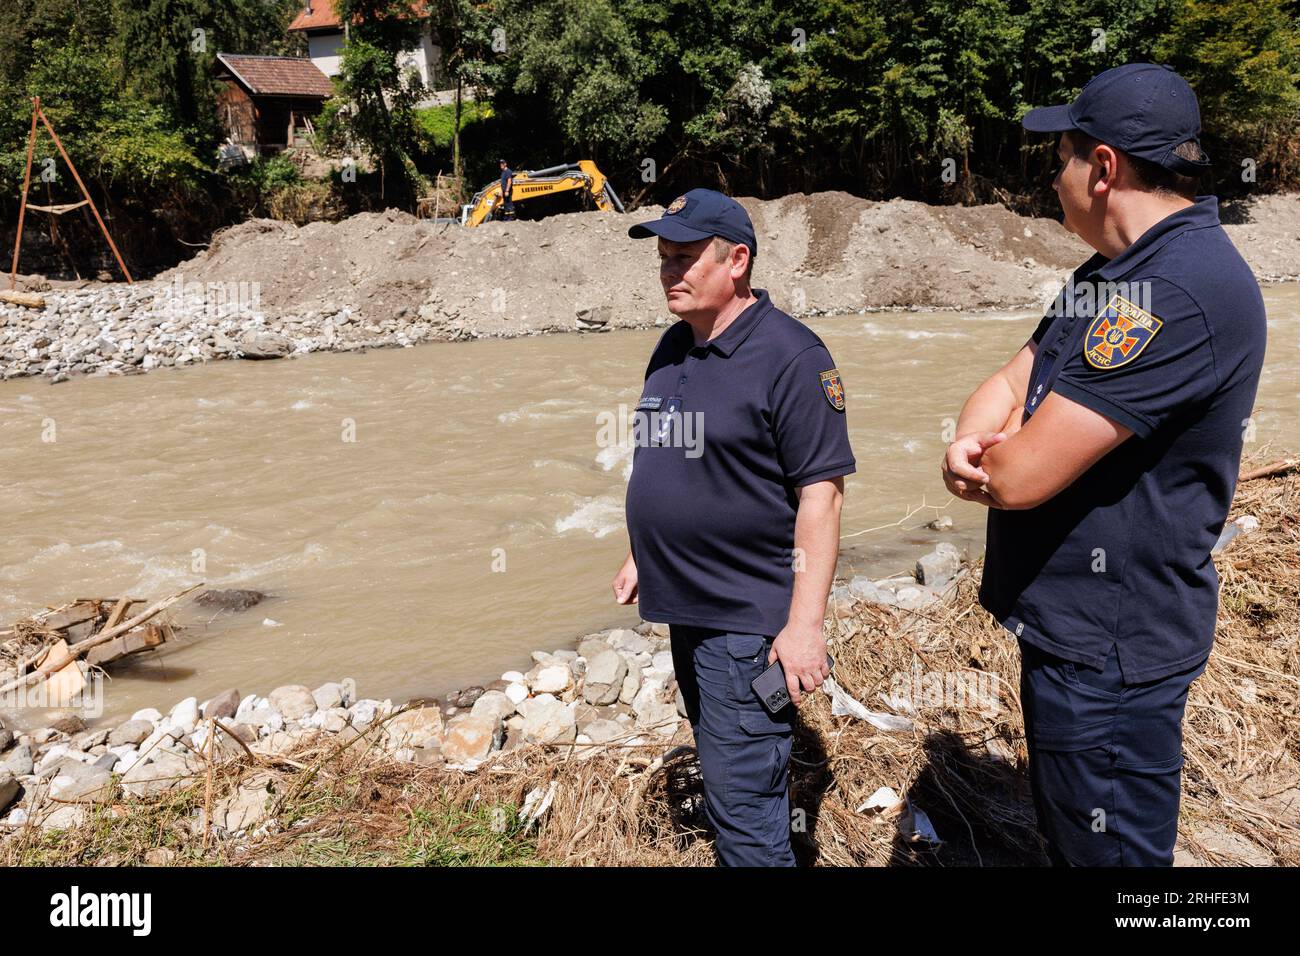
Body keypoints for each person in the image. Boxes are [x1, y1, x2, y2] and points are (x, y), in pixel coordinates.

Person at [941, 64, 1267, 866]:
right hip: (1079, 638)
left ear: (1106, 168)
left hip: (1111, 653)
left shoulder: (1175, 292)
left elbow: (1019, 478)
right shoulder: (1115, 276)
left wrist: (998, 455)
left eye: (1062, 159)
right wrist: (972, 441)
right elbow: (1014, 379)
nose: (1055, 181)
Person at [614, 188, 855, 866]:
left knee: (746, 813)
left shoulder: (792, 358)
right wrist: (644, 551)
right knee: (728, 786)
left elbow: (822, 497)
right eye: (663, 259)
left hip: (745, 623)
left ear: (737, 260)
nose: (670, 273)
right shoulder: (673, 345)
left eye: (685, 258)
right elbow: (659, 459)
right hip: (688, 609)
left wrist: (804, 626)